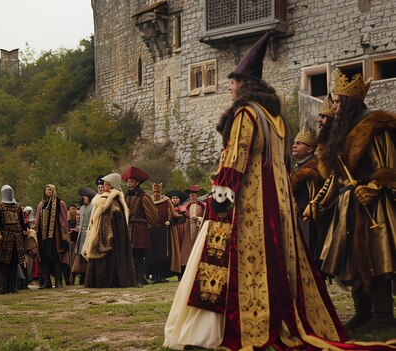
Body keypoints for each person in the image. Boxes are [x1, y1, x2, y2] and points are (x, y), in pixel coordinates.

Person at [164, 33, 347, 350]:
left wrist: (218, 210)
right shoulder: (277, 119)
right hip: (278, 208)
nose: (230, 87)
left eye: (234, 82)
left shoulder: (246, 114)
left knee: (238, 267)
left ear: (245, 85)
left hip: (250, 208)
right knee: (277, 267)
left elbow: (234, 162)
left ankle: (232, 326)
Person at [309, 68, 396, 336]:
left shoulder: (374, 126)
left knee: (375, 258)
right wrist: (319, 202)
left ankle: (384, 317)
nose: (333, 106)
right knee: (352, 260)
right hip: (347, 204)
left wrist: (374, 186)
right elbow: (335, 177)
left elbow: (390, 165)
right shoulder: (343, 132)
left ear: (348, 104)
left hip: (373, 203)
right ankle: (363, 313)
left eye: (336, 102)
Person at [82, 173, 135, 288]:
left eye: (107, 184)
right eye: (104, 184)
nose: (104, 187)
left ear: (112, 186)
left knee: (109, 256)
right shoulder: (105, 198)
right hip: (101, 232)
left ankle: (108, 281)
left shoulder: (112, 200)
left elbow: (111, 219)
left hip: (111, 235)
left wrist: (106, 231)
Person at [122, 165, 158, 287]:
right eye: (128, 182)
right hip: (128, 229)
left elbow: (153, 215)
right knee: (130, 255)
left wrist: (146, 226)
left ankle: (140, 280)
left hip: (140, 229)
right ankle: (133, 278)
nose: (129, 184)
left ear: (137, 182)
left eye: (132, 181)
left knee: (140, 255)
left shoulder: (144, 197)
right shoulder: (125, 197)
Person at [290, 123, 321, 259]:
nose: (294, 145)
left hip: (309, 219)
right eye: (294, 143)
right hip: (297, 218)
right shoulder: (297, 167)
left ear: (309, 149)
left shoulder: (315, 167)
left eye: (299, 143)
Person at [0, 185, 28, 294]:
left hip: (15, 239)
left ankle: (11, 287)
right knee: (4, 263)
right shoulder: (0, 207)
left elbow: (21, 222)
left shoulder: (17, 206)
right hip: (5, 238)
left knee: (13, 263)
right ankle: (4, 287)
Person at [34, 184, 69, 289]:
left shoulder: (60, 203)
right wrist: (34, 231)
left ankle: (58, 281)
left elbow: (63, 218)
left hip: (55, 235)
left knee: (56, 257)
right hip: (43, 235)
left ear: (53, 191)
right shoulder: (41, 204)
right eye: (46, 189)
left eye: (50, 189)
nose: (48, 191)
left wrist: (65, 233)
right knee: (44, 258)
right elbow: (37, 220)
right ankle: (47, 281)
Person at [148, 183, 180, 283]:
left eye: (158, 192)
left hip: (163, 229)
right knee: (152, 253)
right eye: (155, 192)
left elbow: (172, 213)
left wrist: (171, 220)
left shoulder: (166, 200)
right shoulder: (149, 201)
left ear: (161, 192)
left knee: (162, 254)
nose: (156, 194)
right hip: (152, 229)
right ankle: (153, 276)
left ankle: (162, 276)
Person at [71, 187, 96, 285]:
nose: (83, 198)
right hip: (81, 234)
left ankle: (89, 276)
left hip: (89, 233)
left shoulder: (92, 207)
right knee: (80, 256)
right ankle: (82, 276)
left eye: (85, 197)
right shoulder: (81, 208)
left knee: (88, 255)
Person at [166, 189, 190, 275]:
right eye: (173, 198)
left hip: (181, 229)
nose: (175, 200)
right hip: (172, 230)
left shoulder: (183, 208)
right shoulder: (168, 208)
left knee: (182, 248)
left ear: (179, 200)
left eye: (176, 198)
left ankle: (183, 269)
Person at [183, 185, 205, 255]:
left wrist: (198, 218)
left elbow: (205, 217)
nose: (192, 197)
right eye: (191, 195)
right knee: (189, 243)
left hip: (198, 226)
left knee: (197, 243)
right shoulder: (186, 206)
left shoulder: (202, 206)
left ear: (197, 196)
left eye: (194, 195)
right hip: (188, 226)